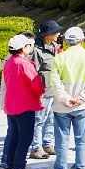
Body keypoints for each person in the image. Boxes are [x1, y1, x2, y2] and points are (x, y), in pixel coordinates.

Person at [48, 27, 85, 169]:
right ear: (82, 40)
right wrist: (81, 97)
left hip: (61, 106)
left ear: (66, 41)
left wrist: (65, 98)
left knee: (61, 140)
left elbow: (54, 82)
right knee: (81, 139)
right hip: (82, 106)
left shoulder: (59, 58)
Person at [2, 34, 44, 169]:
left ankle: (11, 167)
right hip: (24, 104)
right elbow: (36, 85)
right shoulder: (24, 63)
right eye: (29, 45)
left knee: (15, 137)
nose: (31, 48)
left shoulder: (9, 62)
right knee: (25, 139)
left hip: (12, 104)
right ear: (23, 47)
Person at [29, 20, 61, 160]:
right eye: (55, 32)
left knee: (51, 119)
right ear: (47, 35)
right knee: (39, 119)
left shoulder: (55, 47)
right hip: (42, 91)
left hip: (54, 89)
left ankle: (48, 144)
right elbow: (33, 73)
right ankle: (36, 148)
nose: (58, 34)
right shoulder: (36, 50)